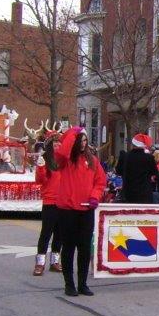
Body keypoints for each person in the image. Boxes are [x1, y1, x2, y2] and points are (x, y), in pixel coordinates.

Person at [55, 127, 106, 296]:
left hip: (86, 210)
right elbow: (62, 153)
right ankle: (69, 284)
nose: (83, 144)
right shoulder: (67, 160)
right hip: (68, 210)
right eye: (81, 141)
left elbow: (100, 182)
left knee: (84, 248)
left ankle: (83, 283)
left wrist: (94, 197)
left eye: (85, 140)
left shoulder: (92, 161)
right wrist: (72, 133)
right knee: (68, 247)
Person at [33, 134, 62, 275]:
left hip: (63, 202)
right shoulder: (45, 160)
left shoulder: (65, 161)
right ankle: (40, 263)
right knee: (46, 233)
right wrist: (40, 168)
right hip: (50, 201)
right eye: (55, 143)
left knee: (60, 234)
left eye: (59, 143)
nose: (58, 146)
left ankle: (55, 261)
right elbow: (40, 180)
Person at [119, 133, 157, 204]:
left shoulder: (125, 156)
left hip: (128, 193)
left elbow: (119, 171)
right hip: (145, 194)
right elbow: (154, 173)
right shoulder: (149, 158)